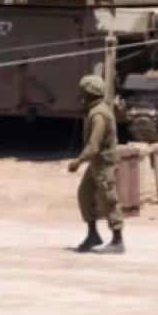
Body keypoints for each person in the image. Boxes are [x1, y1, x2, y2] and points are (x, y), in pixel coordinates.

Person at [68, 73, 124, 254]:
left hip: (104, 163)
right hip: (97, 164)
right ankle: (93, 234)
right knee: (84, 194)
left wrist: (77, 162)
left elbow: (93, 146)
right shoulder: (95, 111)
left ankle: (118, 239)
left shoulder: (99, 114)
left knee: (109, 199)